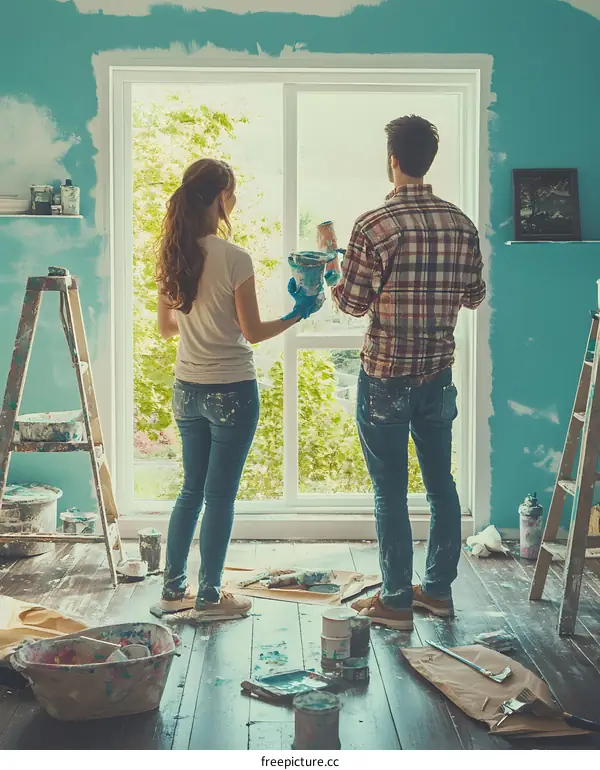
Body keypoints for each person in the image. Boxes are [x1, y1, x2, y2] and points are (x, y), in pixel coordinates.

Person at [327, 115, 486, 630]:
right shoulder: (461, 224)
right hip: (437, 375)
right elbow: (473, 297)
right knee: (441, 484)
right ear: (428, 160)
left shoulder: (374, 226)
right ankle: (437, 592)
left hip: (386, 378)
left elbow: (351, 304)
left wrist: (332, 269)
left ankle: (395, 600)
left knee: (389, 489)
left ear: (392, 159)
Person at [156, 158, 323, 621]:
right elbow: (251, 331)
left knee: (190, 492)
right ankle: (210, 596)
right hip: (231, 389)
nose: (236, 200)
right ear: (218, 197)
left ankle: (172, 590)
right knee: (220, 496)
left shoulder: (173, 253)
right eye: (233, 191)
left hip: (187, 389)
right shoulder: (235, 258)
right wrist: (299, 311)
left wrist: (198, 320)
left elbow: (167, 329)